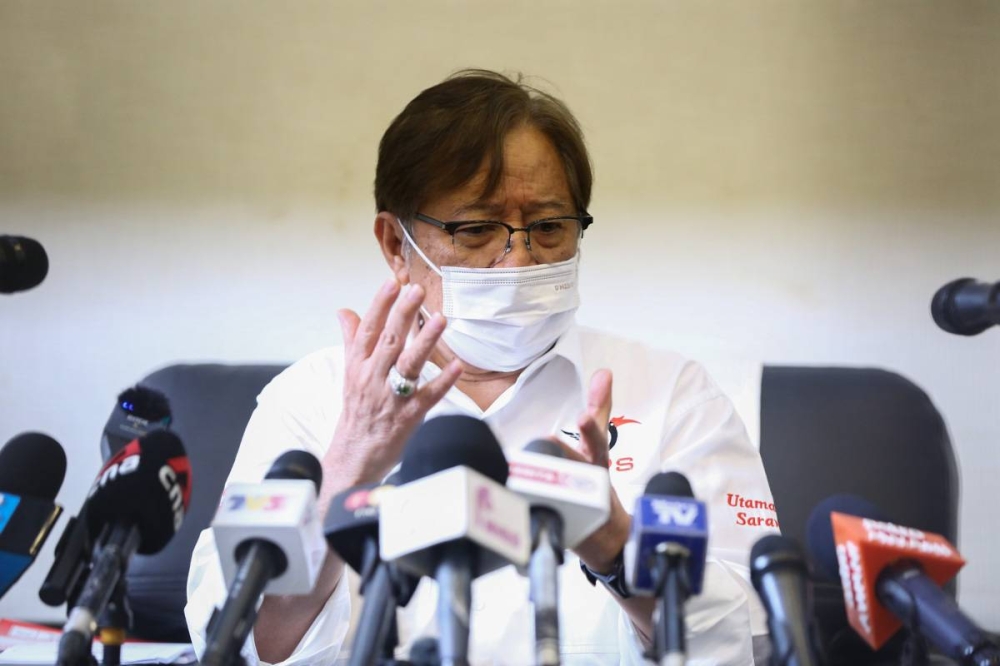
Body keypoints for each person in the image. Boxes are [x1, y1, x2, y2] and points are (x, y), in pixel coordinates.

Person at [185, 69, 778, 665]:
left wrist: (617, 548)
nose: (519, 259)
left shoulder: (675, 395)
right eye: (475, 230)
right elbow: (232, 641)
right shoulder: (309, 400)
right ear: (396, 245)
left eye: (548, 227)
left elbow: (754, 637)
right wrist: (349, 464)